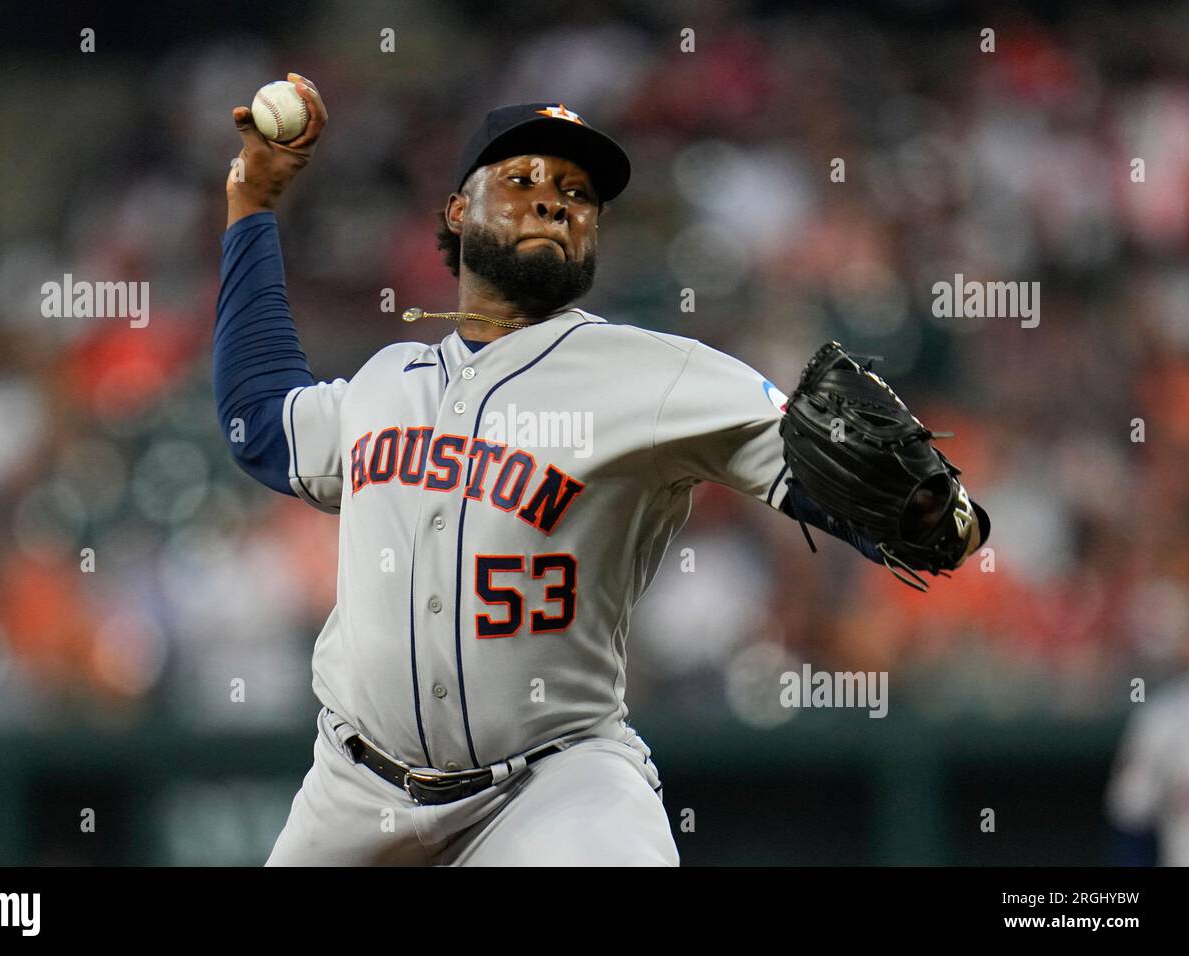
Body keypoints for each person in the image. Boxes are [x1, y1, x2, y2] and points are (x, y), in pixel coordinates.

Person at [214, 75, 984, 865]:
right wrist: (252, 206)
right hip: (354, 790)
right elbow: (260, 421)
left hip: (553, 788)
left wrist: (931, 515)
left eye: (577, 192)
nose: (554, 200)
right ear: (455, 212)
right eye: (520, 181)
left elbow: (842, 480)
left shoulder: (656, 374)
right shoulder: (383, 382)